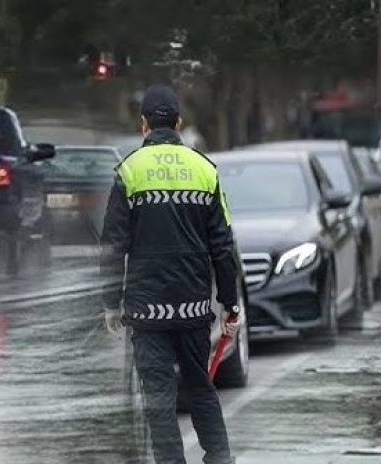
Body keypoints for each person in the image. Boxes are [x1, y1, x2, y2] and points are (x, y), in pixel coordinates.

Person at [100, 84, 241, 464]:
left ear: (143, 124)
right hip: (194, 306)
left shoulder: (129, 171)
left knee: (158, 397)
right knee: (200, 387)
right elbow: (222, 245)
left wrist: (111, 304)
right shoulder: (204, 170)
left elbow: (113, 246)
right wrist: (230, 304)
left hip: (147, 311)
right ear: (178, 123)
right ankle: (219, 458)